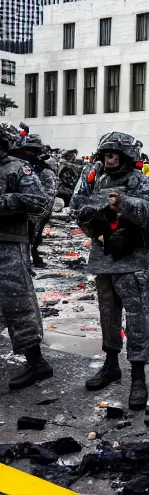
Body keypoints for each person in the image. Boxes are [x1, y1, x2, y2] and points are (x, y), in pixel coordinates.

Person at [72, 132, 149, 410]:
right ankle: (111, 365)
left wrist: (124, 204)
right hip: (103, 258)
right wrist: (96, 212)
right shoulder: (95, 180)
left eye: (115, 154)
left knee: (137, 321)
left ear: (126, 157)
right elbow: (76, 207)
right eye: (106, 154)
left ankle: (138, 376)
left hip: (133, 262)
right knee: (108, 316)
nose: (109, 159)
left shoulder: (140, 183)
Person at [0, 123, 52, 389]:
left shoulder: (18, 169)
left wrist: (4, 201)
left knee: (18, 303)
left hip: (9, 246)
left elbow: (40, 202)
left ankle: (37, 363)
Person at [9, 134, 58, 267]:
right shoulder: (18, 169)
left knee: (32, 240)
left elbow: (47, 202)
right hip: (18, 218)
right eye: (26, 151)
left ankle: (33, 256)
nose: (28, 154)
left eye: (32, 151)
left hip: (34, 217)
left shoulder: (45, 172)